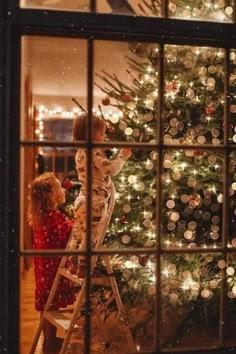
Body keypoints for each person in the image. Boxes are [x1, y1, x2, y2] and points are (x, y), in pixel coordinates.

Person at [69, 113, 132, 278]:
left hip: (81, 199)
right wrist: (122, 157)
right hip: (95, 201)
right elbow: (110, 170)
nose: (104, 137)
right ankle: (84, 266)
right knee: (90, 235)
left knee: (78, 233)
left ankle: (72, 263)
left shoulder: (80, 153)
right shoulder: (93, 152)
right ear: (92, 134)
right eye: (102, 133)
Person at [28, 172, 75, 351]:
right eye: (58, 187)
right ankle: (50, 342)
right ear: (50, 195)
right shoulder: (54, 217)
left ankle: (49, 339)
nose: (63, 189)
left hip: (43, 272)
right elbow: (69, 233)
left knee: (46, 307)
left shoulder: (42, 216)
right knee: (51, 307)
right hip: (52, 271)